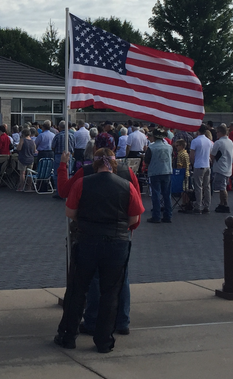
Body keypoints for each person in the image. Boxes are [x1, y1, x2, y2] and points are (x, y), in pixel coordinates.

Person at [54, 148, 143, 353]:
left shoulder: (82, 182)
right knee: (111, 292)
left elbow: (70, 211)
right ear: (113, 163)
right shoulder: (127, 183)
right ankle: (104, 339)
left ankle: (69, 336)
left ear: (94, 164)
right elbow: (134, 218)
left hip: (88, 239)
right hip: (117, 241)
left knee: (78, 289)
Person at [144, 129, 173, 223]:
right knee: (167, 195)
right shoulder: (169, 147)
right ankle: (168, 215)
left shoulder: (151, 147)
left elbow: (147, 161)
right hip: (167, 171)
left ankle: (156, 216)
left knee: (156, 194)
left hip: (155, 172)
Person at [210, 124, 233, 213]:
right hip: (228, 167)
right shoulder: (230, 142)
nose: (216, 134)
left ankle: (225, 204)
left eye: (217, 132)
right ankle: (221, 203)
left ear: (220, 132)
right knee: (222, 187)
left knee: (222, 187)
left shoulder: (218, 142)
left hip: (220, 167)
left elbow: (212, 155)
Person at [189, 125, 213, 214]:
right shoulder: (209, 141)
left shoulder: (195, 141)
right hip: (207, 165)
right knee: (207, 186)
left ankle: (198, 206)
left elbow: (192, 155)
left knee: (198, 187)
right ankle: (207, 205)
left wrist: (193, 163)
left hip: (198, 165)